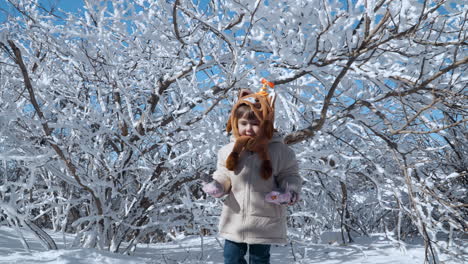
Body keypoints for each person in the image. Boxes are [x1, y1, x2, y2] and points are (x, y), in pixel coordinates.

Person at [202, 80, 302, 264]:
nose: (248, 128)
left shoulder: (279, 151)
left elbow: (290, 175)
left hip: (265, 218)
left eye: (255, 123)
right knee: (231, 258)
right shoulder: (228, 151)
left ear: (266, 124)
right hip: (235, 217)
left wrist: (288, 192)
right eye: (243, 123)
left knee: (259, 259)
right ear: (235, 123)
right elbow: (224, 175)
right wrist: (217, 186)